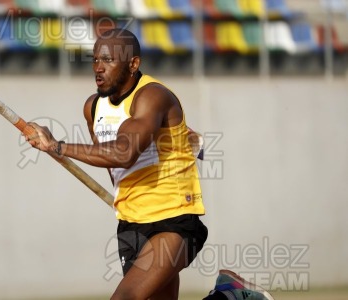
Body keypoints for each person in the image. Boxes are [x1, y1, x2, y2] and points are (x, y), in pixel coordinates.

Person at [24, 28, 273, 300]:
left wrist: (58, 146)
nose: (98, 68)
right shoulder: (93, 108)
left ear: (133, 64)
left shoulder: (152, 96)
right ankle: (227, 296)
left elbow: (124, 153)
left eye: (108, 60)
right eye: (95, 60)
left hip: (173, 221)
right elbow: (110, 163)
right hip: (131, 224)